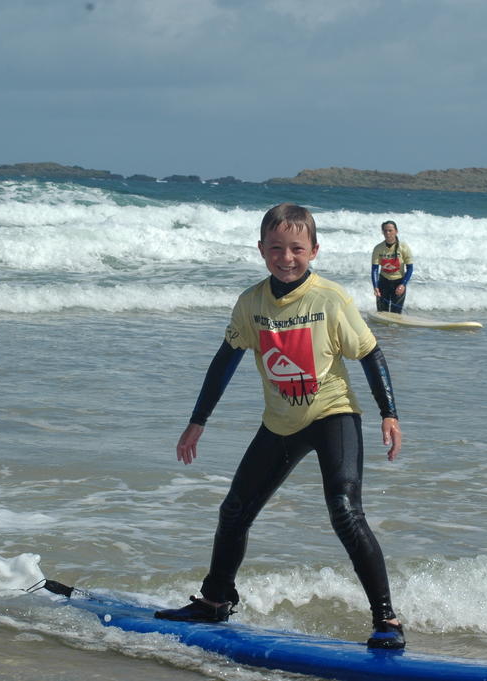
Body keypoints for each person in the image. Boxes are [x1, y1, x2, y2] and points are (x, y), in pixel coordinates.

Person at [155, 203, 406, 650]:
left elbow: (369, 353)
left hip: (333, 415)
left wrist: (389, 413)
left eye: (296, 249)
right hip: (280, 423)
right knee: (234, 511)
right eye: (276, 248)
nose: (286, 258)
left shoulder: (330, 299)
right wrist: (198, 422)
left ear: (314, 250)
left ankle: (387, 619)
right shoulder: (251, 303)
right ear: (261, 250)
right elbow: (224, 361)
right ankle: (215, 601)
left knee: (345, 513)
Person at [371, 220, 414, 313]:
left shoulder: (403, 247)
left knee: (396, 314)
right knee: (382, 313)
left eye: (390, 230)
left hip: (399, 283)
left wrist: (403, 284)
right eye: (385, 231)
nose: (387, 233)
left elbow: (410, 268)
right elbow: (374, 269)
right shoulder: (378, 248)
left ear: (396, 231)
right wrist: (375, 287)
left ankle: (395, 328)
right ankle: (382, 328)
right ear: (382, 232)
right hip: (383, 282)